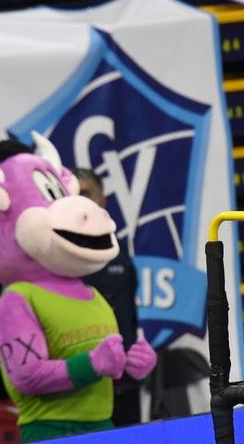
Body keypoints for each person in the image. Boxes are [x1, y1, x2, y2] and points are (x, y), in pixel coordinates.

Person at [72, 167, 144, 427]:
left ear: (102, 201)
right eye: (72, 195)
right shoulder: (59, 257)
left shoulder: (118, 249)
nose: (79, 201)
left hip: (125, 384)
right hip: (83, 387)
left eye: (85, 194)